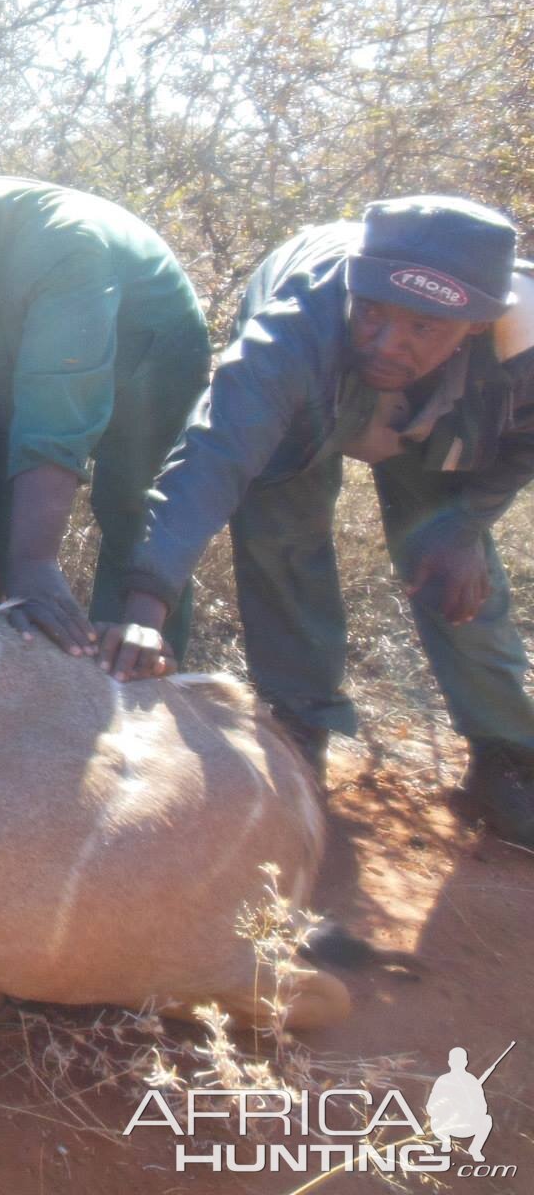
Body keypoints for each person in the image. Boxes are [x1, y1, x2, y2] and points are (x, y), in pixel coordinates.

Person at [100, 196, 534, 843]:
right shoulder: (296, 326)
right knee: (282, 533)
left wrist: (467, 524)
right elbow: (216, 453)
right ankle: (303, 725)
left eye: (421, 329)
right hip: (312, 394)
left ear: (474, 325)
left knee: (453, 567)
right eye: (374, 315)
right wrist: (147, 603)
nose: (387, 343)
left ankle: (507, 754)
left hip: (442, 413)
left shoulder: (521, 342)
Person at [0, 145, 210, 658]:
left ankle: (134, 663)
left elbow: (55, 410)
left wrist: (36, 563)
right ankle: (17, 652)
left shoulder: (62, 244)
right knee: (1, 499)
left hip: (149, 352)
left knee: (128, 502)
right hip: (10, 363)